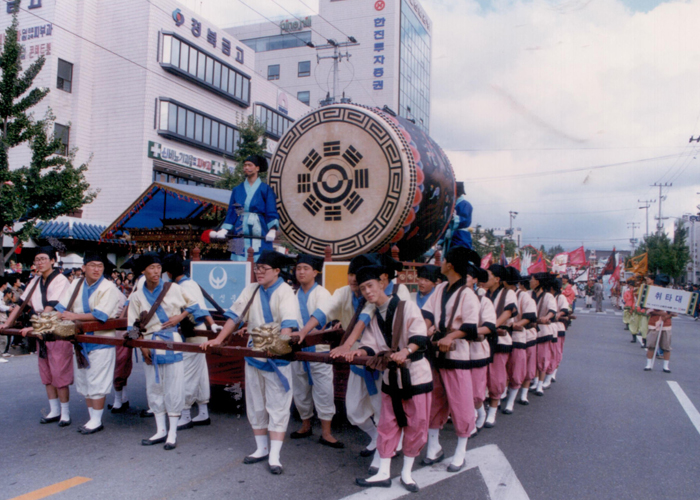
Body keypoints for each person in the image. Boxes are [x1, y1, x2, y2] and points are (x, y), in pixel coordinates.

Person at [202, 250, 299, 475]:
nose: (259, 273)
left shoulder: (285, 291)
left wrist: (279, 347)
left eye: (264, 269)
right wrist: (218, 338)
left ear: (276, 271)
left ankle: (275, 455)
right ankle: (261, 448)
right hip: (254, 353)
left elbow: (288, 323)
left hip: (276, 355)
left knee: (277, 404)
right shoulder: (251, 289)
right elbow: (235, 316)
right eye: (257, 269)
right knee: (255, 402)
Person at [347, 265, 432, 492]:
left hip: (415, 374)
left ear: (382, 284)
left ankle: (406, 472)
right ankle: (383, 472)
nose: (367, 291)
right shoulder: (375, 316)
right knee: (387, 423)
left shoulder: (407, 306)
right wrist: (360, 352)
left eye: (370, 285)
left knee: (417, 423)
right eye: (363, 288)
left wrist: (406, 351)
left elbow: (419, 335)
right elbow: (371, 344)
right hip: (391, 376)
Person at [298, 254, 378, 465]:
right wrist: (304, 332)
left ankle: (385, 450)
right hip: (354, 355)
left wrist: (346, 344)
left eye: (358, 275)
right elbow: (324, 311)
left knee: (381, 406)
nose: (353, 279)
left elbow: (363, 320)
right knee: (353, 409)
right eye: (350, 274)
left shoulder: (374, 295)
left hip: (375, 355)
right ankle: (378, 437)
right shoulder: (343, 292)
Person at [127, 253, 204, 451]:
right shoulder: (136, 296)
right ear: (143, 271)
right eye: (151, 268)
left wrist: (180, 317)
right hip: (150, 343)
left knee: (174, 385)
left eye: (158, 268)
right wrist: (142, 346)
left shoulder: (174, 289)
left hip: (171, 340)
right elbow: (133, 327)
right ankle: (160, 430)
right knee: (154, 387)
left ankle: (172, 433)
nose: (156, 272)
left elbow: (194, 305)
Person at [420, 246, 479, 471]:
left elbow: (471, 326)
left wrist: (451, 335)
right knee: (434, 399)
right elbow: (426, 314)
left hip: (457, 356)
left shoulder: (468, 294)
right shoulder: (441, 288)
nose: (441, 263)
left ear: (450, 265)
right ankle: (434, 447)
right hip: (435, 353)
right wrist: (423, 329)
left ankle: (461, 450)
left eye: (444, 260)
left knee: (461, 401)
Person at [55, 252, 124, 434]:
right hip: (80, 341)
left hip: (101, 340)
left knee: (97, 381)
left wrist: (73, 316)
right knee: (85, 381)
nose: (96, 269)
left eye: (100, 266)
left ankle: (96, 420)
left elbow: (101, 315)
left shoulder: (108, 287)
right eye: (92, 265)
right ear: (83, 268)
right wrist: (47, 319)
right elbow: (62, 307)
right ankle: (91, 418)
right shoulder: (77, 284)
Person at [2, 246, 72, 426]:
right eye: (37, 260)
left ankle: (65, 413)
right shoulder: (34, 281)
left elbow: (52, 306)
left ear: (52, 261)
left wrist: (36, 327)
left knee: (59, 372)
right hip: (41, 327)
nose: (39, 262)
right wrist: (7, 324)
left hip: (56, 327)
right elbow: (21, 304)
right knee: (46, 372)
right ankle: (54, 410)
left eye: (43, 259)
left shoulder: (60, 280)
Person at [162, 254, 222, 430]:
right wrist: (212, 325)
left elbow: (195, 306)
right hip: (198, 328)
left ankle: (186, 413)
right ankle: (203, 412)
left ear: (169, 272)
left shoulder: (183, 286)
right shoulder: (190, 283)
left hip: (192, 331)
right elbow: (202, 308)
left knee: (187, 372)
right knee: (200, 371)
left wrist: (179, 318)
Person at [290, 254, 343, 448]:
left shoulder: (322, 293)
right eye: (298, 268)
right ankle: (305, 425)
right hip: (297, 349)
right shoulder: (293, 295)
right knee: (300, 388)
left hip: (318, 349)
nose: (301, 272)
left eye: (305, 268)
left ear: (315, 272)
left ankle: (326, 433)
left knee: (324, 390)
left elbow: (324, 318)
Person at [214, 155, 279, 261]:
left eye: (249, 165)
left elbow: (271, 210)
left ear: (257, 168)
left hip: (259, 227)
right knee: (237, 261)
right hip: (240, 226)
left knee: (261, 261)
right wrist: (225, 229)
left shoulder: (266, 189)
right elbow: (232, 211)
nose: (246, 168)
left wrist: (272, 229)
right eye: (245, 165)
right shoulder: (237, 189)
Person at [481, 264, 517, 428]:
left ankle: (492, 412)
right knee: (481, 376)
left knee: (496, 376)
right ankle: (481, 409)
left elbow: (508, 312)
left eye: (487, 275)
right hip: (482, 339)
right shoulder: (482, 293)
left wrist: (491, 326)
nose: (484, 278)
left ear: (497, 279)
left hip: (499, 339)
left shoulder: (508, 293)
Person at [502, 267, 536, 414]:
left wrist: (517, 324)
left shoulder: (523, 296)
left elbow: (529, 316)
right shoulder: (499, 294)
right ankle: (501, 393)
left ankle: (511, 401)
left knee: (516, 369)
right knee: (501, 369)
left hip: (516, 337)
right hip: (501, 337)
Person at [530, 273, 557, 396]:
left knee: (542, 357)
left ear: (538, 282)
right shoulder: (528, 294)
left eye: (533, 279)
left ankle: (540, 383)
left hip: (543, 330)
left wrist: (546, 317)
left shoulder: (548, 296)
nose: (530, 281)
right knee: (533, 357)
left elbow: (552, 310)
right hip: (531, 330)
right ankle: (535, 380)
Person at [644, 274, 675, 373]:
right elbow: (648, 310)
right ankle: (649, 364)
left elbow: (674, 311)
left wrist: (667, 315)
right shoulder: (651, 294)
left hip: (666, 323)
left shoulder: (670, 295)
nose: (659, 287)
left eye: (661, 285)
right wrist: (661, 313)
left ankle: (666, 366)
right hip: (653, 322)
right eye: (658, 285)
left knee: (666, 346)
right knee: (651, 345)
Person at [444, 182, 473, 251]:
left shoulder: (466, 204)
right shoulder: (451, 204)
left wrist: (455, 218)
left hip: (461, 236)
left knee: (459, 256)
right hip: (451, 236)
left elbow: (465, 220)